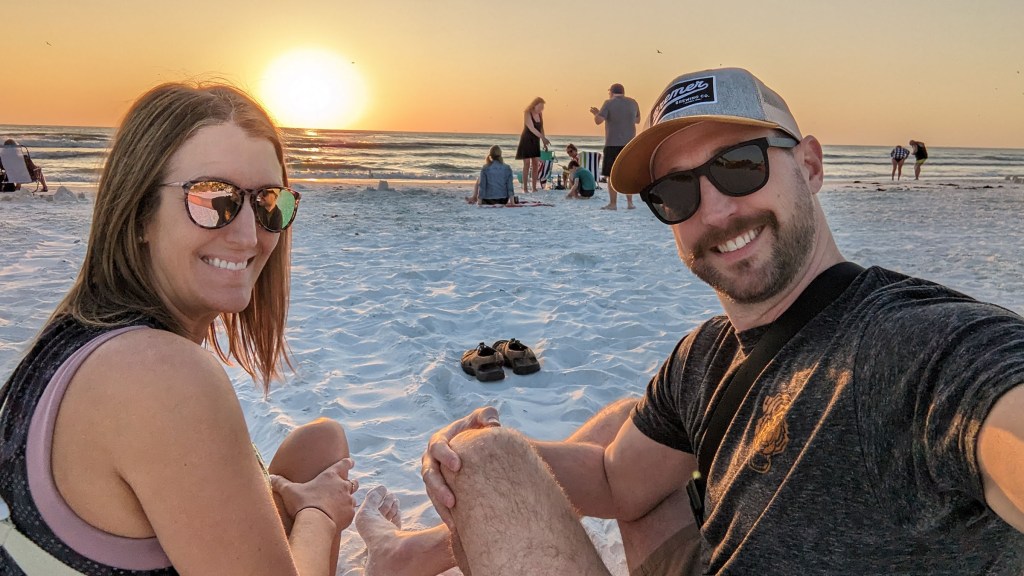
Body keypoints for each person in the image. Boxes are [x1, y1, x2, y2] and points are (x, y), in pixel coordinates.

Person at [421, 67, 1024, 575]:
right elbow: (615, 479)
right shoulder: (705, 356)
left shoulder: (921, 345)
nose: (714, 210)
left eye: (739, 165)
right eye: (676, 192)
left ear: (810, 165)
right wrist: (473, 457)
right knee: (490, 457)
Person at [0, 82, 439, 576]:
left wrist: (284, 492)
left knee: (320, 446)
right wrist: (319, 513)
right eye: (215, 199)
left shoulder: (81, 336)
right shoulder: (159, 375)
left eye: (270, 202)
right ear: (139, 212)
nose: (250, 235)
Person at [590, 83, 640, 210]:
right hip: (630, 144)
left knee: (611, 174)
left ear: (611, 92)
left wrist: (596, 113)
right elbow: (637, 120)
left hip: (612, 143)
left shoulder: (608, 103)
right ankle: (630, 203)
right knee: (628, 173)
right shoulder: (633, 102)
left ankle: (613, 203)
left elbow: (598, 121)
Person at [514, 97, 550, 194]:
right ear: (535, 104)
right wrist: (543, 138)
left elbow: (541, 128)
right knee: (526, 164)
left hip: (536, 140)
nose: (541, 109)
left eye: (543, 108)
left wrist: (543, 141)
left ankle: (534, 188)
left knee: (535, 164)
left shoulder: (540, 114)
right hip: (526, 139)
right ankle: (525, 188)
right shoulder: (527, 113)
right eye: (540, 107)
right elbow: (532, 128)